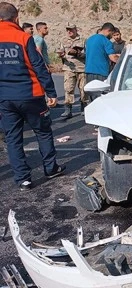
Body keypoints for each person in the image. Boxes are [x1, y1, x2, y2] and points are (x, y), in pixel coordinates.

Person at [0, 2, 65, 190]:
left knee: (13, 138)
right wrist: (51, 92)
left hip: (5, 98)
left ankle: (23, 179)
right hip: (31, 95)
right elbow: (39, 67)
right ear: (16, 18)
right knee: (43, 132)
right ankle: (51, 169)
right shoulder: (23, 38)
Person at [85, 22, 119, 103]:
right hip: (101, 73)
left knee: (92, 99)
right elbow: (113, 58)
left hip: (89, 72)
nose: (111, 37)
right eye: (111, 34)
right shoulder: (106, 41)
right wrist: (122, 60)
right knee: (102, 100)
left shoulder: (89, 40)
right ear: (108, 31)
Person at [58, 23, 86, 118]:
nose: (69, 31)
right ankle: (68, 109)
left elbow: (87, 54)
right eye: (67, 30)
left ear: (75, 30)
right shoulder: (63, 40)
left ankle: (84, 107)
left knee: (83, 89)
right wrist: (61, 54)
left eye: (71, 29)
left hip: (81, 67)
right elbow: (60, 51)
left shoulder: (83, 40)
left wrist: (77, 53)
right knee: (68, 88)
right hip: (69, 67)